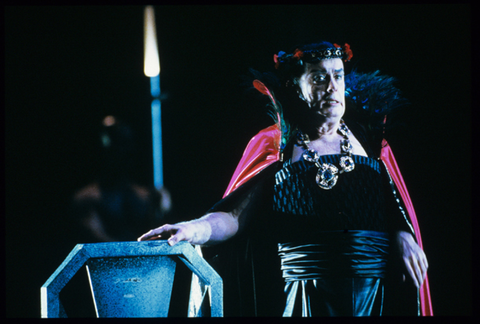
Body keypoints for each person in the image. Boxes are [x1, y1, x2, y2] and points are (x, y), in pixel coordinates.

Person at [138, 41, 433, 316]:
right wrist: (192, 229)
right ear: (295, 86)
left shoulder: (372, 143)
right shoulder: (275, 145)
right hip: (306, 298)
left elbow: (395, 209)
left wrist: (402, 233)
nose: (332, 87)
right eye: (318, 78)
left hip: (376, 297)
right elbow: (233, 216)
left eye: (338, 76)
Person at [72, 115, 171, 242]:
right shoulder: (86, 199)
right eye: (115, 147)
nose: (120, 153)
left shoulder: (148, 195)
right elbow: (94, 240)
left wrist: (162, 208)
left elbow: (161, 233)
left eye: (123, 145)